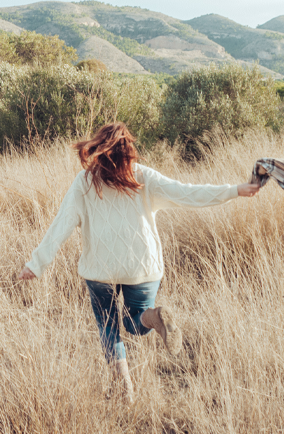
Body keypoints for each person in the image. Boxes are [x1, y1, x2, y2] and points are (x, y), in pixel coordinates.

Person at [16, 122, 259, 403]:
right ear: (130, 150)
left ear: (98, 147)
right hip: (142, 266)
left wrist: (36, 264)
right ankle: (152, 317)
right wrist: (235, 190)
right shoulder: (143, 177)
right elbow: (188, 193)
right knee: (135, 321)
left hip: (100, 269)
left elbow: (62, 225)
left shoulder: (84, 181)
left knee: (108, 325)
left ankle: (125, 387)